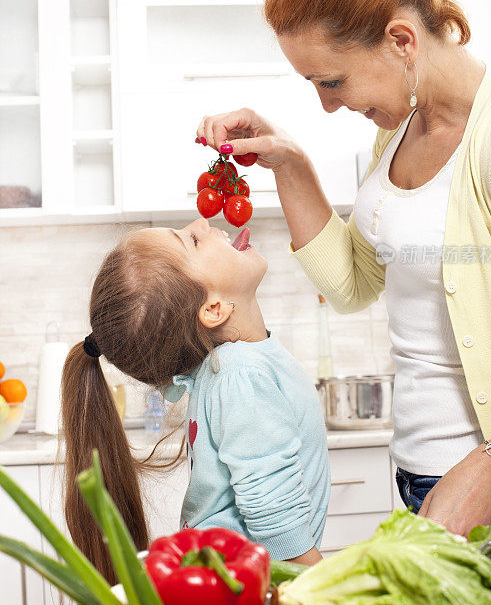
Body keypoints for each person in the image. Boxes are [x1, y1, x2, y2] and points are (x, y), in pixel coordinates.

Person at [195, 0, 491, 553]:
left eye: (331, 81)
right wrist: (289, 163)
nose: (325, 106)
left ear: (401, 40)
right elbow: (353, 285)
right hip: (422, 478)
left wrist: (490, 468)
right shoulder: (401, 129)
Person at [61, 220, 330, 582]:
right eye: (191, 240)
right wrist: (323, 582)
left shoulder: (233, 367)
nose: (202, 223)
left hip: (224, 579)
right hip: (238, 586)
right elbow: (271, 503)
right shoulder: (239, 372)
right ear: (213, 309)